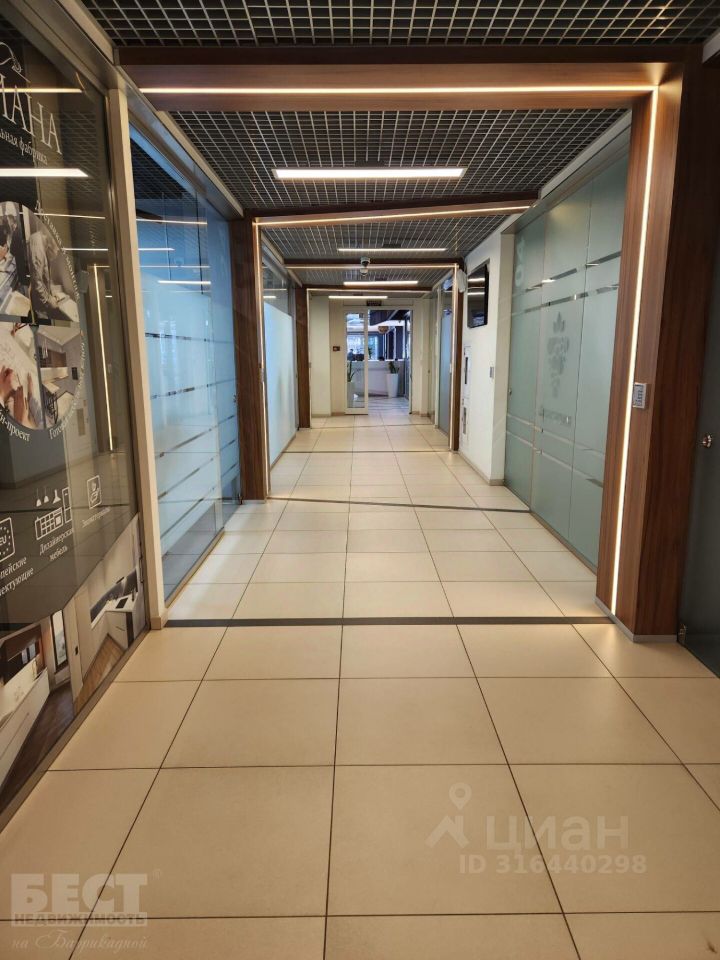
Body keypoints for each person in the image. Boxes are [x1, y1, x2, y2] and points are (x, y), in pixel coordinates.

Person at [27, 227, 65, 322]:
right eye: (57, 251)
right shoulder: (38, 248)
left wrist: (52, 290)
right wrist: (48, 300)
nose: (57, 252)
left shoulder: (42, 239)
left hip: (39, 297)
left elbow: (44, 273)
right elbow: (37, 282)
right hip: (39, 303)